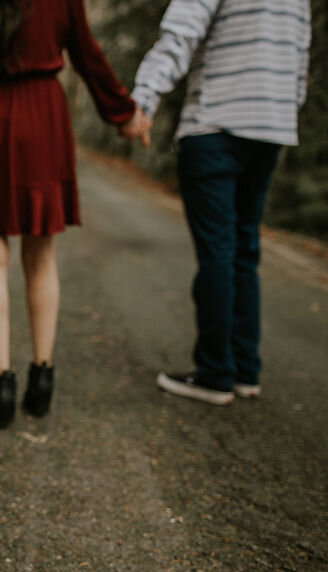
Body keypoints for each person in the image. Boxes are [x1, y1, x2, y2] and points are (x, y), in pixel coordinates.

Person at [0, 0, 149, 428]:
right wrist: (123, 113)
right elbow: (87, 55)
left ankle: (1, 386)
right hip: (43, 119)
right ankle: (41, 378)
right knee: (41, 257)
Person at [128, 0, 311, 405]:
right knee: (245, 249)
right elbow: (299, 59)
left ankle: (215, 372)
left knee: (218, 252)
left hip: (215, 125)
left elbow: (181, 35)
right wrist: (282, 112)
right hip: (271, 127)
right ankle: (245, 370)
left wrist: (144, 98)